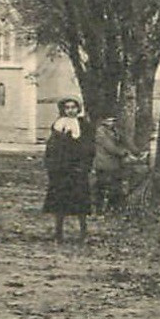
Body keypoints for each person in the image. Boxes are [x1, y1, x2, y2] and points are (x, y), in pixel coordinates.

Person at [43, 98, 94, 243]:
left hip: (78, 169)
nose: (70, 110)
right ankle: (58, 233)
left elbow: (89, 148)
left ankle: (83, 233)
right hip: (61, 169)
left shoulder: (84, 126)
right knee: (60, 202)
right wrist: (52, 166)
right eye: (67, 108)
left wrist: (85, 165)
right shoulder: (58, 126)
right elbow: (51, 148)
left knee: (80, 203)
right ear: (63, 110)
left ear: (78, 109)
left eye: (73, 107)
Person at [91, 115, 128, 212]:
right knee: (101, 186)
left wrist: (136, 151)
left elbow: (125, 141)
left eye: (113, 120)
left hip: (114, 163)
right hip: (103, 163)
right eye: (109, 120)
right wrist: (123, 152)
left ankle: (112, 208)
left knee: (115, 186)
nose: (112, 123)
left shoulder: (115, 131)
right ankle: (98, 208)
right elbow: (110, 147)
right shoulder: (101, 131)